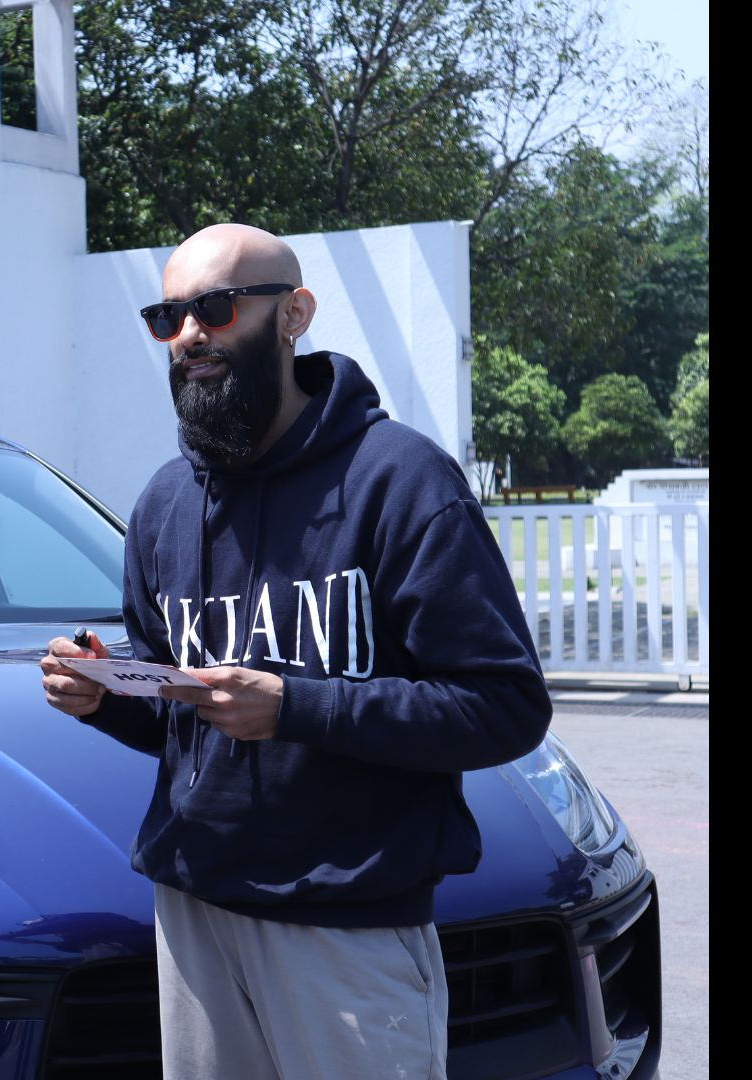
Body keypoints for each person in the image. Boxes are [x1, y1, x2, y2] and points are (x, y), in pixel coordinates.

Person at [39, 223, 552, 1079]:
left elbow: (504, 706)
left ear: (293, 315)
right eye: (168, 318)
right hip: (193, 910)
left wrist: (294, 707)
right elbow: (184, 714)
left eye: (215, 308)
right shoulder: (165, 502)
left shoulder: (400, 481)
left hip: (345, 926)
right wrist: (104, 693)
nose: (189, 335)